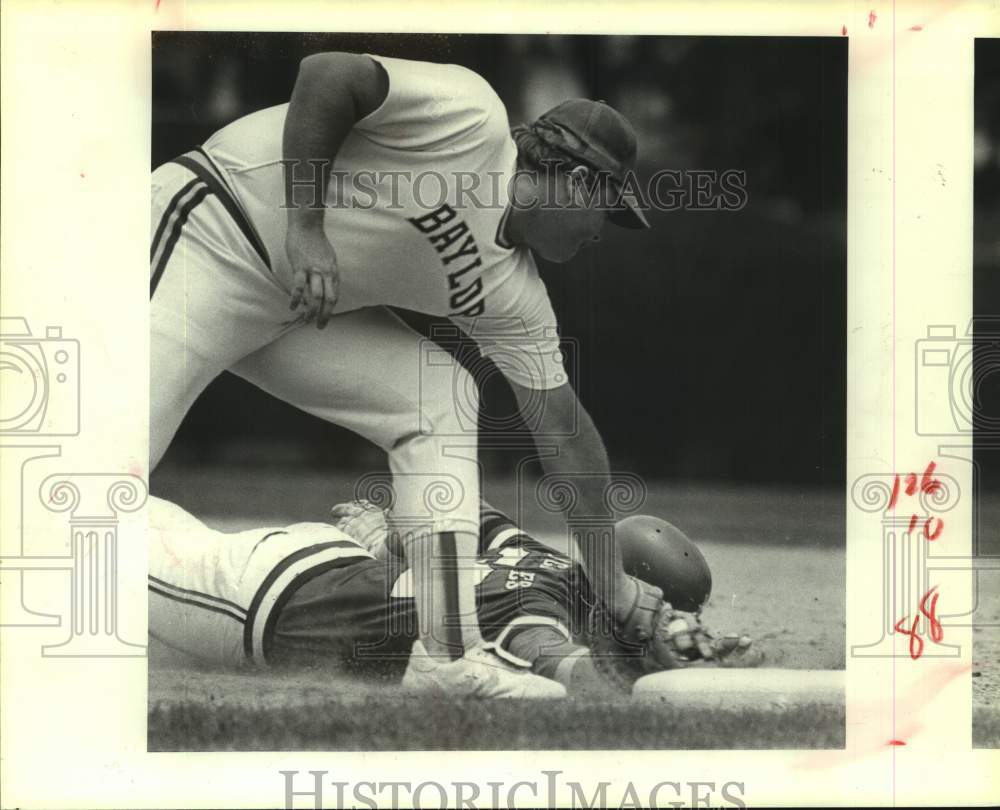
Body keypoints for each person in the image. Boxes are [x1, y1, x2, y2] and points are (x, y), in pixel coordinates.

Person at [150, 50, 650, 697]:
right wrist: (306, 226)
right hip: (214, 229)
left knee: (438, 394)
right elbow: (327, 74)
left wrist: (614, 587)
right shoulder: (470, 117)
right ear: (577, 182)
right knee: (102, 468)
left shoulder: (513, 293)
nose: (602, 233)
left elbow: (565, 433)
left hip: (293, 311)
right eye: (606, 209)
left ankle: (447, 655)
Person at [148, 496, 752, 696]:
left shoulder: (538, 558)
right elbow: (565, 672)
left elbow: (468, 508)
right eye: (661, 605)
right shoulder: (539, 612)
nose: (659, 614)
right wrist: (657, 674)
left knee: (148, 520)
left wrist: (390, 535)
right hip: (263, 598)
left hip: (327, 564)